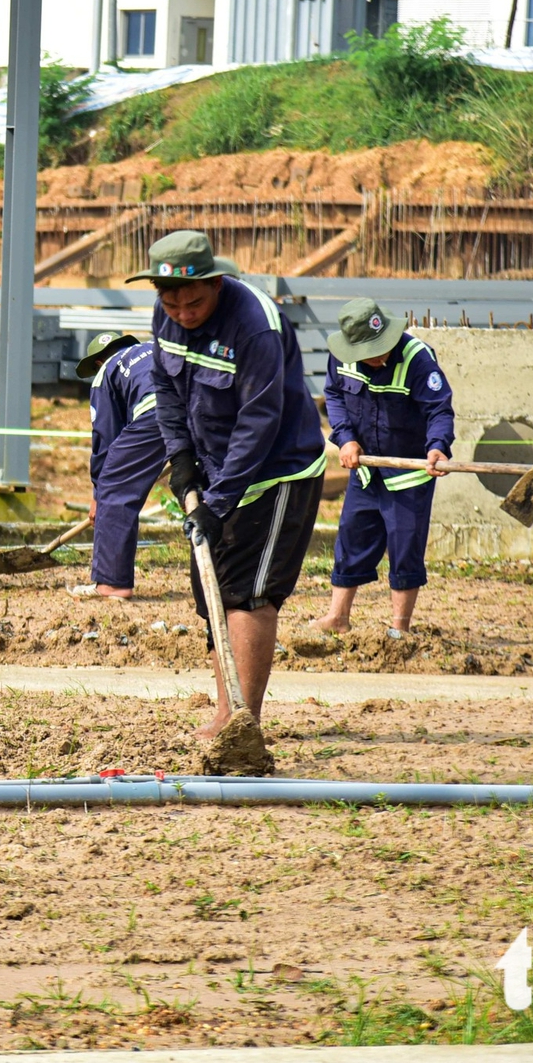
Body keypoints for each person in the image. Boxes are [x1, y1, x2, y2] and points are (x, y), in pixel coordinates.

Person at [133, 230, 326, 740]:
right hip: (217, 473)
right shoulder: (167, 316)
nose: (183, 312)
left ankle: (244, 722)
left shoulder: (255, 326)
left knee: (250, 593)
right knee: (213, 591)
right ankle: (226, 712)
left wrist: (217, 504)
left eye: (194, 301)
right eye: (171, 301)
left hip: (275, 472)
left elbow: (258, 420)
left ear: (216, 283)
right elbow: (166, 390)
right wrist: (181, 461)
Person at [312, 298, 455, 639]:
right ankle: (338, 617)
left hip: (409, 474)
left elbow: (439, 409)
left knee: (405, 547)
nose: (379, 356)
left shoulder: (418, 359)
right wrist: (345, 439)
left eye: (383, 348)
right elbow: (333, 396)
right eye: (370, 351)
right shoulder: (341, 358)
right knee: (351, 540)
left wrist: (438, 447)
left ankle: (399, 629)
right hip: (366, 471)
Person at [73, 330, 165, 600]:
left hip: (158, 409)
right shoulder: (152, 349)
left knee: (115, 487)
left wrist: (98, 496)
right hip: (205, 403)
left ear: (98, 363)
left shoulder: (107, 373)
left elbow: (106, 439)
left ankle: (112, 583)